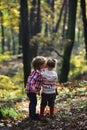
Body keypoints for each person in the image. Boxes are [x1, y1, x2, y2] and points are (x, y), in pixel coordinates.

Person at [25, 56, 46, 121]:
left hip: (32, 90)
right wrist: (33, 88)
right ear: (40, 65)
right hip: (31, 90)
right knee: (33, 102)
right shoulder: (37, 72)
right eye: (44, 64)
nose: (45, 64)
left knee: (33, 102)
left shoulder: (38, 71)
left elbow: (39, 81)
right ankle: (33, 115)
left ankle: (32, 114)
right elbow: (31, 81)